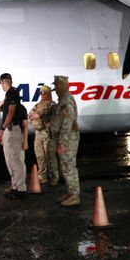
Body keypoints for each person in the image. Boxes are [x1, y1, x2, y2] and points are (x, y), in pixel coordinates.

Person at [0, 73, 28, 199]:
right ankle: (15, 187)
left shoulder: (11, 93)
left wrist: (2, 129)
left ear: (3, 82)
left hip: (12, 129)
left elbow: (11, 112)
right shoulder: (9, 95)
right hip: (10, 129)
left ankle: (21, 190)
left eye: (1, 83)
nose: (1, 86)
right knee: (10, 160)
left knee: (15, 160)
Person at [50, 75, 80, 206]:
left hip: (67, 139)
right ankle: (70, 192)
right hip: (63, 138)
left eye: (56, 86)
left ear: (62, 86)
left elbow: (67, 123)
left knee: (68, 167)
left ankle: (74, 195)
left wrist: (61, 142)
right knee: (65, 166)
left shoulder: (66, 100)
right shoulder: (62, 99)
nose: (55, 89)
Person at [29, 85, 58, 186]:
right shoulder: (38, 105)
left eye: (44, 92)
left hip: (47, 133)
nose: (42, 94)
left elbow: (45, 112)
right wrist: (34, 115)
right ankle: (42, 177)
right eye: (41, 93)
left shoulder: (52, 105)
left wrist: (38, 114)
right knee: (40, 156)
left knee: (50, 156)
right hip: (38, 133)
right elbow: (30, 115)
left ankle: (54, 177)